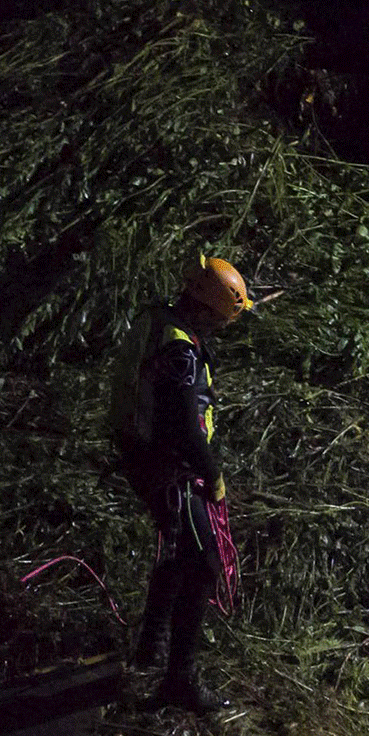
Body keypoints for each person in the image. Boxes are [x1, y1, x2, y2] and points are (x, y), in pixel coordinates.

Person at [109, 255, 254, 712]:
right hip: (168, 469)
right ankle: (179, 681)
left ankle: (150, 648)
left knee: (179, 549)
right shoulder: (182, 352)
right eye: (226, 316)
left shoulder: (162, 324)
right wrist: (212, 475)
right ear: (210, 309)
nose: (226, 326)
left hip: (147, 459)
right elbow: (187, 428)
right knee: (206, 564)